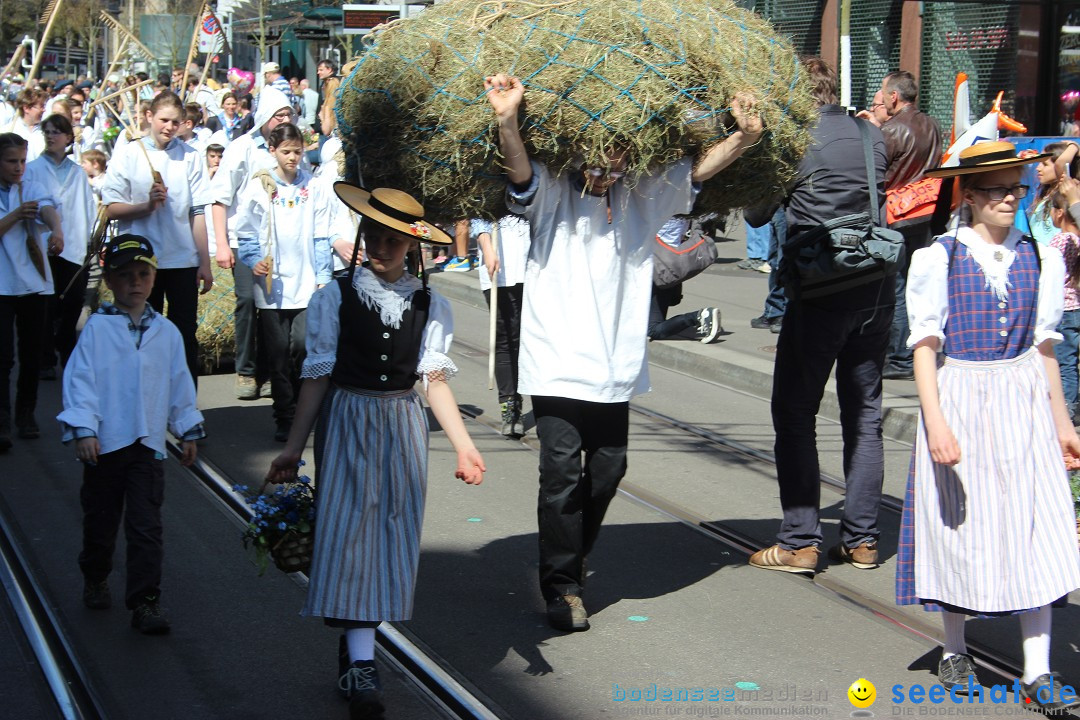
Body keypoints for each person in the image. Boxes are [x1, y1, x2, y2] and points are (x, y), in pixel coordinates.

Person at [485, 71, 763, 631]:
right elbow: (518, 172)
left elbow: (698, 170)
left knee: (610, 468)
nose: (604, 166)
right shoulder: (554, 191)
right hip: (557, 361)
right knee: (561, 471)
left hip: (614, 363)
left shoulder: (642, 191)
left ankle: (572, 552)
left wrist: (746, 136)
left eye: (615, 154)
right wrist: (507, 119)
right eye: (596, 153)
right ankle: (562, 586)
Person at [266, 185, 484, 719]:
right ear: (363, 237)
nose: (382, 249)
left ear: (412, 247)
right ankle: (363, 662)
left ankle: (356, 644)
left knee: (389, 534)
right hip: (348, 420)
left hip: (402, 425)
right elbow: (316, 378)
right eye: (376, 238)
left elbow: (433, 382)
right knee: (349, 535)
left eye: (394, 241)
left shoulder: (430, 303)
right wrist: (293, 448)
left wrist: (464, 445)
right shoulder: (334, 297)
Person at [896, 141, 1080, 712]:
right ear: (969, 196)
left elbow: (1045, 345)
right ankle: (954, 646)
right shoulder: (939, 257)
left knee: (1036, 524)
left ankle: (1037, 670)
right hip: (963, 397)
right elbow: (925, 346)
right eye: (996, 189)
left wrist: (1063, 421)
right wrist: (936, 424)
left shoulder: (1041, 256)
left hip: (1022, 399)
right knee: (961, 525)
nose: (1009, 198)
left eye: (1016, 188)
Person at [749, 58, 892, 575]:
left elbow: (756, 214)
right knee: (865, 414)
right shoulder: (870, 134)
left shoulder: (795, 143)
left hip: (821, 289)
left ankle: (799, 541)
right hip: (876, 288)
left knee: (794, 412)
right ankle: (862, 540)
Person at [58, 234, 205, 635]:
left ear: (155, 278)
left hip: (148, 445)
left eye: (143, 274)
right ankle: (95, 573)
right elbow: (80, 382)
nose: (135, 283)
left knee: (146, 525)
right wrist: (85, 428)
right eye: (125, 276)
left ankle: (145, 600)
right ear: (109, 278)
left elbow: (179, 384)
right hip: (106, 445)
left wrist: (186, 428)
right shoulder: (97, 330)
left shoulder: (167, 333)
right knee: (101, 520)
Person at [102, 91, 213, 385]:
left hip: (181, 258)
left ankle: (185, 404)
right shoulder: (128, 152)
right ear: (149, 116)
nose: (169, 127)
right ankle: (142, 400)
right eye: (164, 120)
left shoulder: (190, 156)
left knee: (183, 335)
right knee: (142, 334)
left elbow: (198, 212)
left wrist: (204, 261)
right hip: (140, 260)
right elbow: (111, 208)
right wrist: (146, 206)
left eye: (176, 122)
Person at [235, 123, 331, 441]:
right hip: (272, 287)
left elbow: (320, 234)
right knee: (277, 354)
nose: (292, 157)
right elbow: (246, 230)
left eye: (297, 151)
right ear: (273, 150)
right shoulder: (260, 185)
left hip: (304, 284)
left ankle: (305, 411)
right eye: (286, 151)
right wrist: (253, 260)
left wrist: (323, 278)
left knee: (303, 346)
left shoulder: (313, 186)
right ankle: (285, 416)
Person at [209, 87, 301, 400]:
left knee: (274, 311)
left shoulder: (289, 149)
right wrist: (222, 243)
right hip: (245, 239)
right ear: (264, 117)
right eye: (279, 114)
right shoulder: (242, 148)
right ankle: (246, 370)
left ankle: (270, 371)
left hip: (281, 243)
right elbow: (220, 198)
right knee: (247, 301)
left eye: (289, 114)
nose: (285, 119)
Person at [0, 132, 64, 448]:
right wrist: (15, 215)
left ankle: (26, 414)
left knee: (31, 354)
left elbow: (48, 207)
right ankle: (1, 421)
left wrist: (57, 228)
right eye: (12, 161)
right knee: (2, 356)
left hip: (33, 285)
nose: (18, 168)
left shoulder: (31, 187)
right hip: (2, 284)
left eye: (22, 161)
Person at [878, 70, 944, 381]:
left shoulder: (892, 129)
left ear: (894, 96)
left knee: (897, 286)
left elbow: (879, 172)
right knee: (917, 285)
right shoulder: (931, 124)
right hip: (927, 211)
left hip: (897, 214)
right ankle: (916, 351)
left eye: (883, 92)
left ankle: (900, 356)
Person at [25, 114, 95, 379]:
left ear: (68, 138)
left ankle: (67, 352)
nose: (51, 136)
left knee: (73, 303)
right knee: (46, 303)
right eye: (48, 132)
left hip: (74, 246)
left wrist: (90, 242)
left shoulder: (77, 172)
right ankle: (44, 358)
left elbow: (87, 208)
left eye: (57, 132)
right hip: (43, 246)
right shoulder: (32, 169)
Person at [471, 214, 531, 437]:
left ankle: (545, 405)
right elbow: (477, 215)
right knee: (504, 338)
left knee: (530, 340)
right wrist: (487, 247)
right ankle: (510, 406)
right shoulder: (489, 180)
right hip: (498, 268)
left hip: (533, 267)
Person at [648, 216, 723, 344]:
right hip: (671, 264)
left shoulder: (658, 204)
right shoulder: (682, 203)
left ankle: (699, 316)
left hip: (658, 267)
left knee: (653, 330)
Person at [1048, 178, 1080, 423]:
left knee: (1064, 363)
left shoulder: (1060, 241)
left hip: (1064, 310)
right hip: (1077, 307)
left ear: (1059, 213)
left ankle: (1065, 410)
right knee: (1073, 362)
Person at [11, 88, 46, 161]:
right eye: (41, 106)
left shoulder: (47, 132)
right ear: (26, 108)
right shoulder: (9, 130)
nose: (44, 110)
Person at [315, 60, 339, 143]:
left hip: (328, 131)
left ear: (329, 70)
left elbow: (330, 106)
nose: (318, 72)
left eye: (321, 70)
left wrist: (322, 117)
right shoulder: (324, 84)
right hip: (323, 130)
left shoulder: (333, 83)